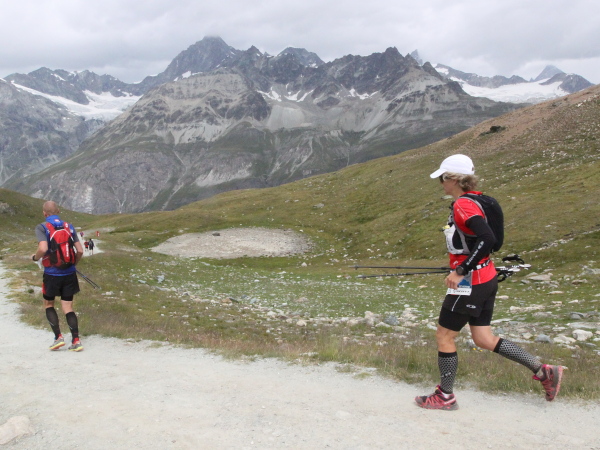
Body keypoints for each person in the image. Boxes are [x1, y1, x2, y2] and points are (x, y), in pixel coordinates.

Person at [415, 154, 563, 410]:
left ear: (453, 179)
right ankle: (544, 371)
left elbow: (487, 238)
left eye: (442, 178)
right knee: (483, 338)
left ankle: (445, 396)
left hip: (470, 282)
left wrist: (461, 269)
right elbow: (487, 241)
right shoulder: (483, 200)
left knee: (444, 336)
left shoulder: (463, 204)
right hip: (486, 277)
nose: (441, 184)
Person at [32, 201, 85, 352]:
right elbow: (80, 251)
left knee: (49, 304)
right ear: (58, 211)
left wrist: (35, 258)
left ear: (44, 213)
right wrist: (73, 264)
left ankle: (58, 338)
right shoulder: (69, 227)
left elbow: (43, 248)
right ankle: (76, 340)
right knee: (68, 307)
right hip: (69, 273)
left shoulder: (42, 227)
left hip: (51, 274)